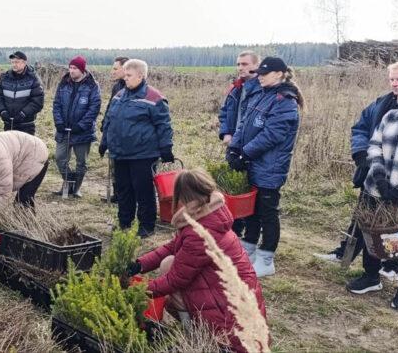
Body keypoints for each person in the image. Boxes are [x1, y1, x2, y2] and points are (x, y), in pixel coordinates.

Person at [127, 168, 267, 353]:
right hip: (237, 305)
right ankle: (196, 332)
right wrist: (140, 264)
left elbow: (175, 280)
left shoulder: (200, 232)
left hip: (231, 324)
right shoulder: (210, 214)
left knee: (172, 285)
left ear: (183, 196)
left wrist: (135, 291)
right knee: (169, 261)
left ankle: (196, 338)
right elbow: (172, 246)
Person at [314, 60, 398, 284]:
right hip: (373, 176)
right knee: (364, 221)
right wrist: (361, 155)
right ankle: (347, 256)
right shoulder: (382, 104)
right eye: (393, 79)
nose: (396, 84)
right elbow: (362, 128)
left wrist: (397, 186)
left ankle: (392, 266)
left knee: (397, 227)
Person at [228, 56, 302, 277]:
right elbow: (244, 124)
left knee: (267, 212)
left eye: (264, 73)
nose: (259, 76)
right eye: (258, 73)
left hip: (270, 166)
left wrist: (245, 153)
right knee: (251, 209)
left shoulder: (285, 101)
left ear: (279, 74)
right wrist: (234, 148)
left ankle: (266, 258)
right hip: (252, 163)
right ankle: (248, 248)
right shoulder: (260, 95)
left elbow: (272, 134)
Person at [344, 74, 398, 311]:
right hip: (377, 188)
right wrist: (380, 177)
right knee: (372, 232)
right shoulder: (391, 115)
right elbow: (375, 145)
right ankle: (371, 277)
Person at [100, 59, 173, 238]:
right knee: (124, 190)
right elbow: (110, 120)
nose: (125, 79)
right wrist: (104, 142)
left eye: (129, 75)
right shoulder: (119, 96)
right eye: (124, 75)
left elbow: (164, 125)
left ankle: (146, 226)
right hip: (120, 153)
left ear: (141, 76)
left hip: (143, 154)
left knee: (143, 191)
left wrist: (166, 148)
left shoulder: (154, 98)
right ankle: (125, 223)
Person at [218, 51, 261, 236]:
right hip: (234, 145)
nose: (240, 68)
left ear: (256, 66)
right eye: (238, 64)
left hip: (251, 146)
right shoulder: (236, 88)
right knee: (233, 188)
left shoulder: (261, 89)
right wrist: (226, 133)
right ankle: (234, 229)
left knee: (250, 190)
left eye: (244, 64)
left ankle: (249, 233)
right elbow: (225, 112)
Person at [52, 55, 101, 198]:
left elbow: (94, 108)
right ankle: (69, 181)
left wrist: (81, 126)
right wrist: (59, 122)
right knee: (60, 158)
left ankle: (76, 189)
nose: (71, 71)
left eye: (75, 68)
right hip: (63, 130)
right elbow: (56, 104)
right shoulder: (63, 83)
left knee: (81, 162)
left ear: (82, 70)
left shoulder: (92, 86)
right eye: (70, 67)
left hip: (82, 132)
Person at [0, 51, 45, 135]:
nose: (14, 64)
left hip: (26, 125)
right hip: (8, 124)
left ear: (24, 63)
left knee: (26, 148)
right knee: (9, 147)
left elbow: (38, 101)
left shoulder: (33, 79)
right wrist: (2, 111)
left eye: (17, 62)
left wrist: (23, 114)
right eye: (12, 62)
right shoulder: (5, 78)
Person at [101, 56, 129, 203]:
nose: (112, 71)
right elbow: (110, 108)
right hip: (113, 133)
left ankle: (125, 196)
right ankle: (117, 194)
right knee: (114, 165)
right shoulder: (116, 87)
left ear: (125, 69)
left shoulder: (132, 88)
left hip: (126, 135)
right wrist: (104, 124)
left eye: (115, 68)